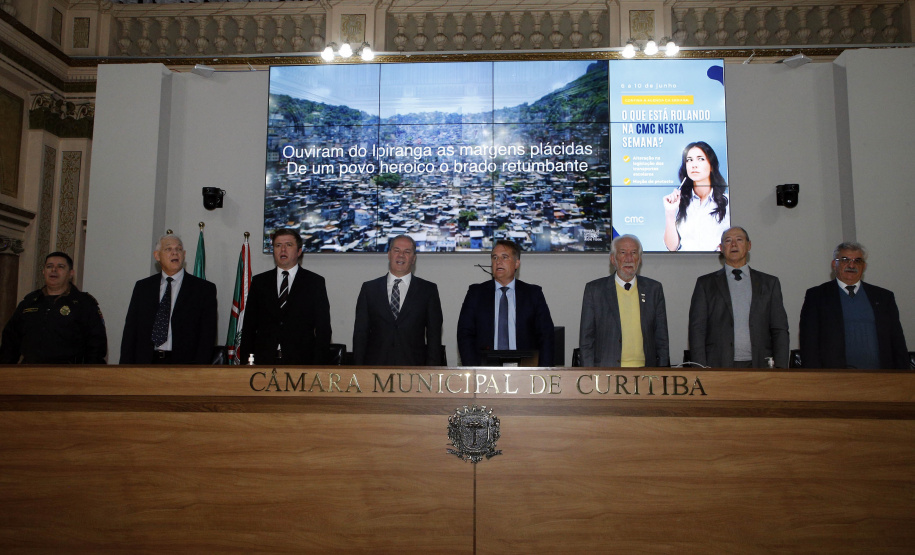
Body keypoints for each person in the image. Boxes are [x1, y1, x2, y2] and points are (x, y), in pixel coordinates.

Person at [688, 226, 789, 368]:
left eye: (739, 240)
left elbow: (779, 329)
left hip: (761, 365)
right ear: (721, 248)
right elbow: (697, 330)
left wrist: (781, 368)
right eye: (728, 241)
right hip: (718, 366)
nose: (734, 244)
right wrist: (700, 369)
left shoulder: (769, 283)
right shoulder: (705, 284)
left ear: (749, 245)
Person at [799, 241, 908, 369]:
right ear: (834, 264)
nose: (851, 265)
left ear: (864, 266)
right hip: (834, 375)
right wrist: (815, 376)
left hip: (880, 375)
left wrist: (904, 375)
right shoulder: (816, 296)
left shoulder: (883, 297)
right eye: (845, 260)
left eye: (857, 261)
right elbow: (809, 342)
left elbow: (897, 341)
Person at [240, 228, 331, 365]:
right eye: (278, 245)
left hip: (302, 362)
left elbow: (323, 329)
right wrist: (245, 363)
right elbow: (249, 327)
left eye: (288, 245)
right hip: (264, 361)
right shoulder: (260, 282)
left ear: (299, 251)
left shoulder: (314, 282)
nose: (283, 250)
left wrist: (319, 366)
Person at [121, 234, 218, 364]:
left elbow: (207, 336)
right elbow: (130, 331)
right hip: (147, 362)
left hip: (184, 365)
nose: (175, 253)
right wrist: (124, 367)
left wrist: (199, 369)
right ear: (157, 256)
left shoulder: (203, 289)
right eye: (168, 249)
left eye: (178, 249)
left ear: (184, 254)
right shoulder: (143, 287)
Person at [457, 239, 554, 366]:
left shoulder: (533, 294)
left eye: (504, 257)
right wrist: (474, 370)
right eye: (494, 257)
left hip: (525, 369)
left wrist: (542, 372)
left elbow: (546, 336)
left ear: (517, 263)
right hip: (485, 370)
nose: (498, 261)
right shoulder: (476, 293)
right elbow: (465, 334)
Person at [0, 252, 107, 364]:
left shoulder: (84, 303)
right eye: (49, 266)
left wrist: (90, 372)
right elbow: (10, 341)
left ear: (71, 273)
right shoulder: (29, 302)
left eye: (60, 267)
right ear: (43, 271)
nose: (54, 270)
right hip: (30, 371)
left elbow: (96, 345)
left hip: (69, 372)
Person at [579, 234, 669, 368]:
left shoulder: (654, 289)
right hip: (607, 372)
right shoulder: (595, 290)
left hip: (646, 372)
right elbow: (586, 340)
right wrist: (590, 375)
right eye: (623, 252)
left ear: (640, 259)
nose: (629, 258)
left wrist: (663, 373)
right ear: (613, 259)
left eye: (634, 253)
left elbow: (662, 339)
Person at [353, 235, 443, 366]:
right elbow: (360, 334)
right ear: (389, 255)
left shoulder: (428, 290)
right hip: (375, 368)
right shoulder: (369, 289)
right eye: (396, 250)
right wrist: (358, 370)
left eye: (407, 252)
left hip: (414, 369)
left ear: (413, 258)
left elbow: (434, 336)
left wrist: (431, 372)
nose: (401, 255)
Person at [663, 141, 730, 251]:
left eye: (701, 159)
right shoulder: (680, 202)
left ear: (711, 166)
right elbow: (672, 247)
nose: (694, 165)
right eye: (689, 160)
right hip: (686, 261)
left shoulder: (727, 202)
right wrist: (670, 213)